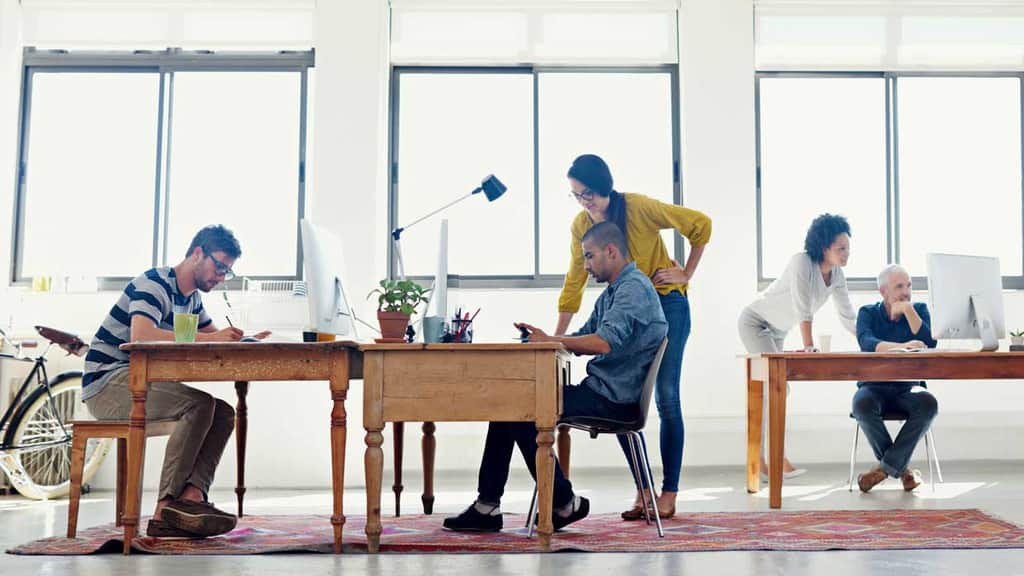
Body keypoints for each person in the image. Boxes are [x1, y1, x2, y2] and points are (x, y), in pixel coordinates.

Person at [443, 222, 668, 533]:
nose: (586, 265)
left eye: (589, 257)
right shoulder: (614, 292)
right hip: (603, 391)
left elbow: (603, 342)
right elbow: (583, 337)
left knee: (520, 408)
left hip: (613, 399)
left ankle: (558, 502)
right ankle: (491, 506)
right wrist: (547, 338)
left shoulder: (633, 289)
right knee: (510, 404)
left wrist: (554, 341)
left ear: (611, 251)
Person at [82, 225, 268, 538]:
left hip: (140, 383)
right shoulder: (154, 283)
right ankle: (165, 510)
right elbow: (141, 334)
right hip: (107, 383)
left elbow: (210, 336)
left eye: (228, 271)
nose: (221, 276)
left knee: (223, 412)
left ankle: (191, 498)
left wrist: (243, 339)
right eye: (219, 266)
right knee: (199, 404)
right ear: (198, 253)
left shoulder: (191, 299)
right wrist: (215, 337)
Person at [555, 154, 710, 521]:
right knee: (618, 391)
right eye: (576, 195)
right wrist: (554, 339)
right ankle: (644, 491)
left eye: (589, 194)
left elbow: (700, 225)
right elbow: (574, 282)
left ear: (605, 187)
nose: (584, 202)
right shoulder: (582, 225)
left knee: (666, 396)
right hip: (625, 313)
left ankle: (668, 492)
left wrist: (685, 274)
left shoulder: (639, 208)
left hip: (667, 307)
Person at [738, 213, 856, 478]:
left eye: (848, 248)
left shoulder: (837, 275)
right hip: (755, 322)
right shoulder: (802, 262)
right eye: (841, 248)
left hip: (777, 330)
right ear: (824, 247)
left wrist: (872, 341)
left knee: (776, 391)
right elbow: (804, 308)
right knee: (775, 388)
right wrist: (809, 347)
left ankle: (767, 460)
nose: (847, 253)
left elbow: (848, 316)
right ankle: (766, 462)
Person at [853, 264, 938, 493]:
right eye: (899, 286)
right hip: (874, 387)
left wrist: (909, 311)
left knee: (928, 403)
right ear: (883, 292)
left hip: (908, 388)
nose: (906, 291)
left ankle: (882, 470)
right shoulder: (867, 312)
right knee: (860, 404)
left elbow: (930, 343)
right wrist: (903, 347)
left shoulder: (919, 309)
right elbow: (867, 343)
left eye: (908, 285)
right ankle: (903, 470)